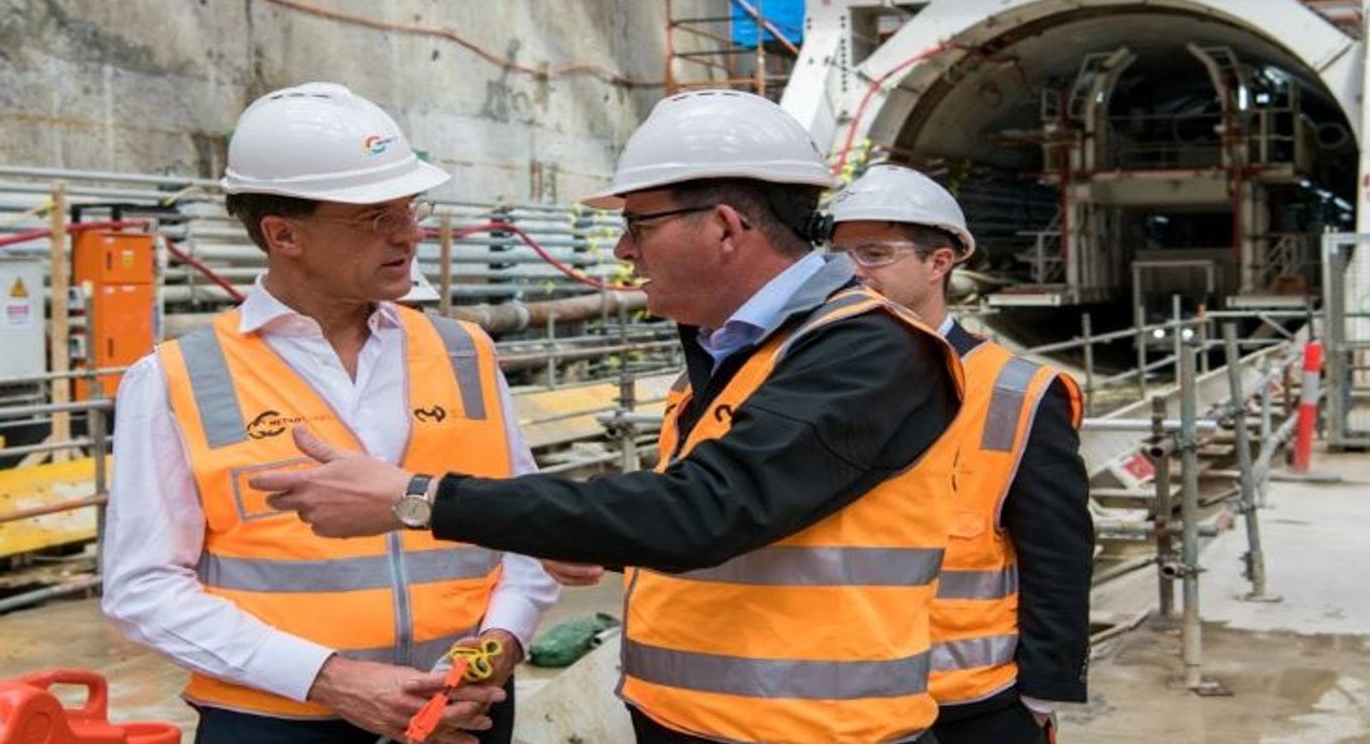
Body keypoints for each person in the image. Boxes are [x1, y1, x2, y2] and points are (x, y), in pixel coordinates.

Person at [252, 89, 967, 743]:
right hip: (698, 723)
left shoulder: (867, 351)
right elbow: (732, 515)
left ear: (724, 227)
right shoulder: (737, 347)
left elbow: (703, 511)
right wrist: (601, 534)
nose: (624, 250)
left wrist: (417, 499)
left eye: (637, 225)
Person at [101, 83, 557, 744]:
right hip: (277, 723)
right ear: (283, 234)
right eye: (375, 216)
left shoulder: (464, 352)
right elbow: (142, 589)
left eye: (410, 207)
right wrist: (329, 678)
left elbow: (526, 526)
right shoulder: (177, 379)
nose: (410, 232)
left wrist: (505, 636)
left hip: (462, 712)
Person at [828, 165, 1093, 744]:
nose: (850, 271)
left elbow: (1058, 553)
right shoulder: (809, 380)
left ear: (939, 262)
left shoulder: (1016, 391)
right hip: (837, 695)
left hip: (967, 702)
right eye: (838, 253)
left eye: (874, 253)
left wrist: (1043, 689)